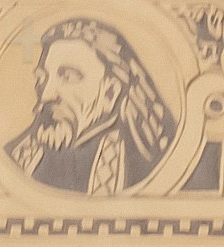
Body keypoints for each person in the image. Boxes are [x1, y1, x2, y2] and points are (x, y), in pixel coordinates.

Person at [11, 11, 182, 198]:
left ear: (111, 92)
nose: (46, 94)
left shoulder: (147, 165)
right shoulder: (15, 158)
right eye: (42, 78)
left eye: (68, 76)